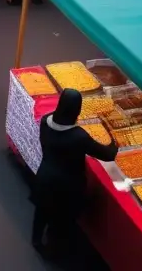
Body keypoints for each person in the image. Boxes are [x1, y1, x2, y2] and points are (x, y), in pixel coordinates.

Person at [31, 89, 118, 258]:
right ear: (77, 111)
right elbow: (107, 155)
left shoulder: (45, 121)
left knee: (41, 212)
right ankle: (53, 253)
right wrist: (115, 141)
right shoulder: (79, 136)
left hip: (44, 177)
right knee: (60, 222)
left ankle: (36, 240)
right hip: (66, 186)